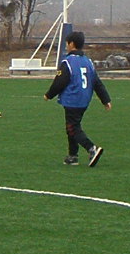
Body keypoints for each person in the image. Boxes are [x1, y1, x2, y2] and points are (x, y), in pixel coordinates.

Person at [45, 29, 109, 165]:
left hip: (72, 99)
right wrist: (105, 99)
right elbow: (97, 82)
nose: (66, 46)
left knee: (72, 128)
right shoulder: (88, 61)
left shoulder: (68, 62)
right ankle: (72, 156)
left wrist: (49, 94)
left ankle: (92, 148)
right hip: (84, 99)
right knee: (72, 126)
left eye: (67, 43)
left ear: (72, 44)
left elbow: (60, 81)